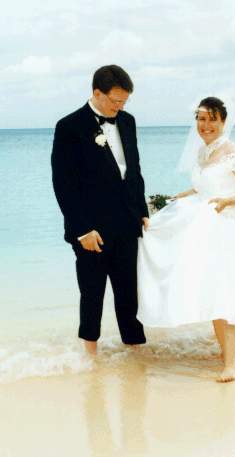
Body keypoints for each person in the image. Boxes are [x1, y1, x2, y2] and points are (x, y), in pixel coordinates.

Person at [137, 96, 235, 382]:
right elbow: (200, 188)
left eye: (212, 119)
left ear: (223, 121)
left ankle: (230, 364)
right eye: (201, 119)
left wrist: (228, 201)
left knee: (224, 289)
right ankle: (223, 352)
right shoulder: (203, 154)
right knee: (211, 286)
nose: (205, 125)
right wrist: (171, 201)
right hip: (204, 227)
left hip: (227, 227)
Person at [51, 65, 149, 355]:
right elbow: (63, 184)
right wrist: (81, 230)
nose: (119, 107)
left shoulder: (128, 122)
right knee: (92, 292)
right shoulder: (69, 126)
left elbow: (134, 170)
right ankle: (89, 359)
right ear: (96, 92)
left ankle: (135, 353)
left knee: (129, 293)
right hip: (91, 228)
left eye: (124, 102)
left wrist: (142, 210)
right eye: (115, 101)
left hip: (127, 222)